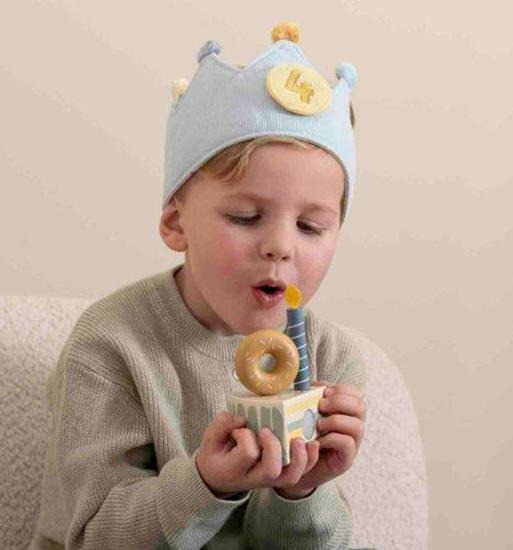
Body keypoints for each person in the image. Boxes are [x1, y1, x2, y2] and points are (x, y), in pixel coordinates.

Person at [31, 21, 375, 549]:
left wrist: (300, 492)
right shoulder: (110, 345)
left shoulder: (329, 359)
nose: (280, 246)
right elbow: (94, 537)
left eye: (310, 226)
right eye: (245, 217)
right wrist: (205, 484)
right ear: (176, 223)